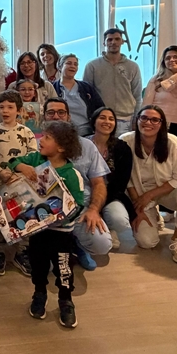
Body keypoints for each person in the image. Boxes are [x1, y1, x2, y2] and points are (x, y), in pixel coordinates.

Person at [9, 121, 110, 328]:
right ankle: (39, 294)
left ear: (61, 147)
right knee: (38, 265)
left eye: (47, 138)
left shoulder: (72, 174)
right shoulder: (36, 159)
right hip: (37, 230)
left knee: (64, 269)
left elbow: (78, 205)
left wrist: (59, 217)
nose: (41, 140)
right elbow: (12, 161)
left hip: (61, 233)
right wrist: (23, 167)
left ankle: (66, 300)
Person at [34, 98, 113, 271]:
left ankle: (77, 245)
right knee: (43, 266)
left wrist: (94, 210)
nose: (56, 116)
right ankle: (59, 246)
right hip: (43, 210)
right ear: (44, 117)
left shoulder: (87, 146)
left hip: (79, 209)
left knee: (102, 245)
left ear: (69, 117)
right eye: (51, 113)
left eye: (61, 112)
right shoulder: (36, 144)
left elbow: (99, 183)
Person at [120, 105, 177, 265]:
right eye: (144, 118)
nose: (148, 122)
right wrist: (136, 207)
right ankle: (153, 213)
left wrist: (150, 195)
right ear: (137, 120)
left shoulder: (174, 143)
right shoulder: (125, 141)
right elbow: (123, 177)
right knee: (147, 242)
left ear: (162, 124)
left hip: (166, 192)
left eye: (154, 120)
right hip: (138, 194)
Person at [0, 90, 37, 277]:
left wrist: (18, 174)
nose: (5, 111)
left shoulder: (26, 132)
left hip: (20, 184)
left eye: (10, 107)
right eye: (2, 107)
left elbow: (32, 156)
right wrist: (0, 172)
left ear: (19, 110)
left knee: (23, 216)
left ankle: (22, 251)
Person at [85, 107, 135, 251]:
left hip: (110, 195)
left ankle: (110, 228)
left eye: (111, 119)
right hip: (84, 193)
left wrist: (99, 203)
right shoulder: (82, 143)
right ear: (94, 121)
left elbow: (120, 183)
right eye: (102, 117)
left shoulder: (122, 148)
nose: (107, 121)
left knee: (119, 220)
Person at [82, 28, 142, 138]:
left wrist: (136, 119)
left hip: (126, 120)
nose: (113, 42)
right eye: (109, 40)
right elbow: (86, 95)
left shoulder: (133, 67)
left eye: (117, 39)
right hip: (102, 119)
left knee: (123, 148)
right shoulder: (92, 66)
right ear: (104, 43)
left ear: (122, 41)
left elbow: (137, 96)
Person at [142, 46, 177, 150]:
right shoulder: (156, 80)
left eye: (176, 57)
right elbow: (146, 106)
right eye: (168, 58)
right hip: (158, 126)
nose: (172, 60)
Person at [52, 54, 105, 137]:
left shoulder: (86, 87)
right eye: (69, 63)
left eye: (75, 64)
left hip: (87, 133)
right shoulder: (52, 87)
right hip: (61, 133)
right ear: (60, 67)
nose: (72, 66)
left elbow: (100, 108)